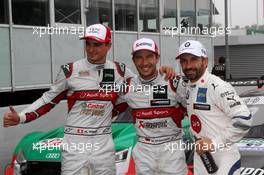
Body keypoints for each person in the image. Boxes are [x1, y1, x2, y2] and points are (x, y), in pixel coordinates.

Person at [3, 24, 174, 175]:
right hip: (75, 143)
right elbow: (48, 100)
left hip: (104, 142)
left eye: (97, 45)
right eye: (88, 44)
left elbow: (143, 86)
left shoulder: (119, 71)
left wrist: (163, 72)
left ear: (108, 45)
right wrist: (22, 117)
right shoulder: (69, 70)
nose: (91, 49)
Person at [176, 40, 252, 175]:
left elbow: (244, 120)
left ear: (205, 61)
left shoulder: (217, 86)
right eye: (183, 61)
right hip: (201, 157)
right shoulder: (188, 86)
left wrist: (214, 143)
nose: (188, 66)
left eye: (193, 59)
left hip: (224, 157)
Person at [117, 38, 188, 175]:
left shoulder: (173, 81)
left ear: (157, 58)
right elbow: (106, 104)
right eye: (139, 57)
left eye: (149, 56)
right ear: (133, 60)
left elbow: (196, 111)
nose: (144, 63)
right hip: (144, 150)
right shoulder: (127, 86)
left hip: (171, 149)